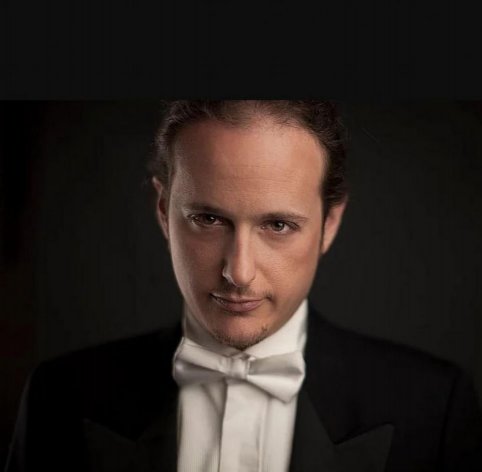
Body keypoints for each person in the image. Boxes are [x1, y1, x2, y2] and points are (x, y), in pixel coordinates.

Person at [5, 100, 482, 472]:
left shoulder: (433, 407)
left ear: (330, 224)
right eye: (208, 219)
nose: (239, 272)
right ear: (163, 210)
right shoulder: (59, 397)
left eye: (278, 225)